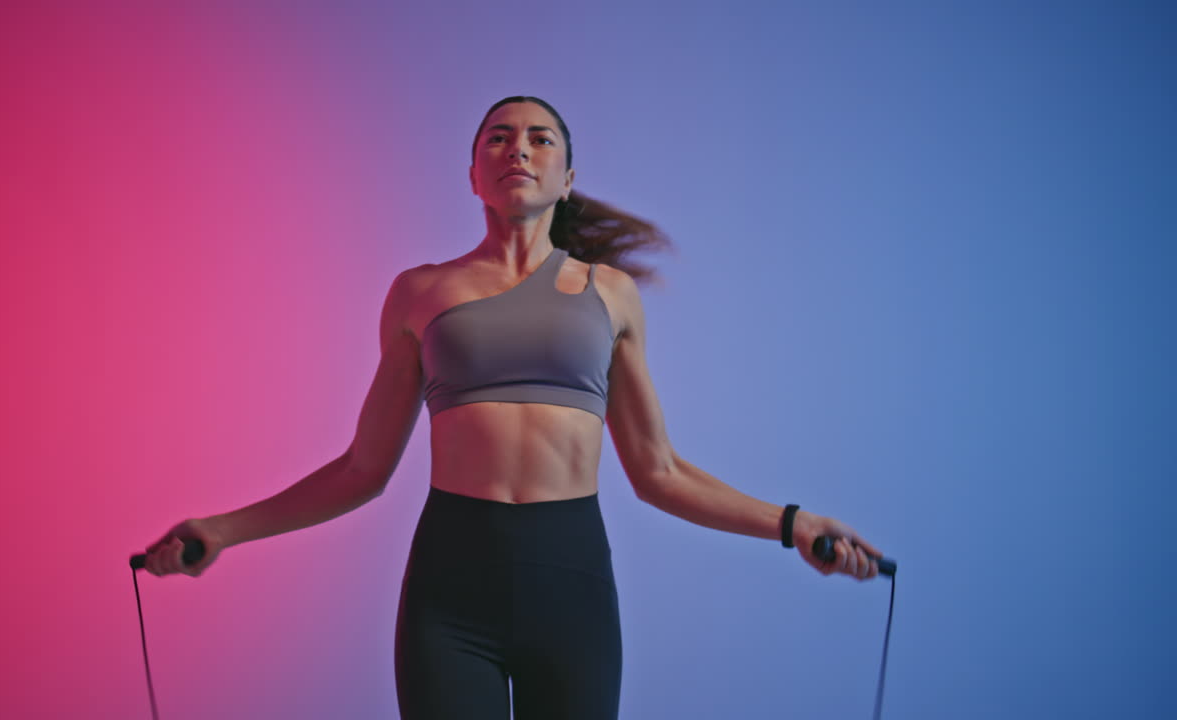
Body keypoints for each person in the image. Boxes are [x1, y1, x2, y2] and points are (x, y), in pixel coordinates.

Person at [141, 95, 885, 720]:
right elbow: (362, 470)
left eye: (540, 138)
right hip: (449, 596)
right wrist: (223, 530)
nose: (518, 148)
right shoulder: (420, 291)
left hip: (571, 590)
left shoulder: (610, 293)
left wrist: (792, 524)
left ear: (567, 177)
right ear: (474, 174)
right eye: (498, 138)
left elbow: (658, 472)